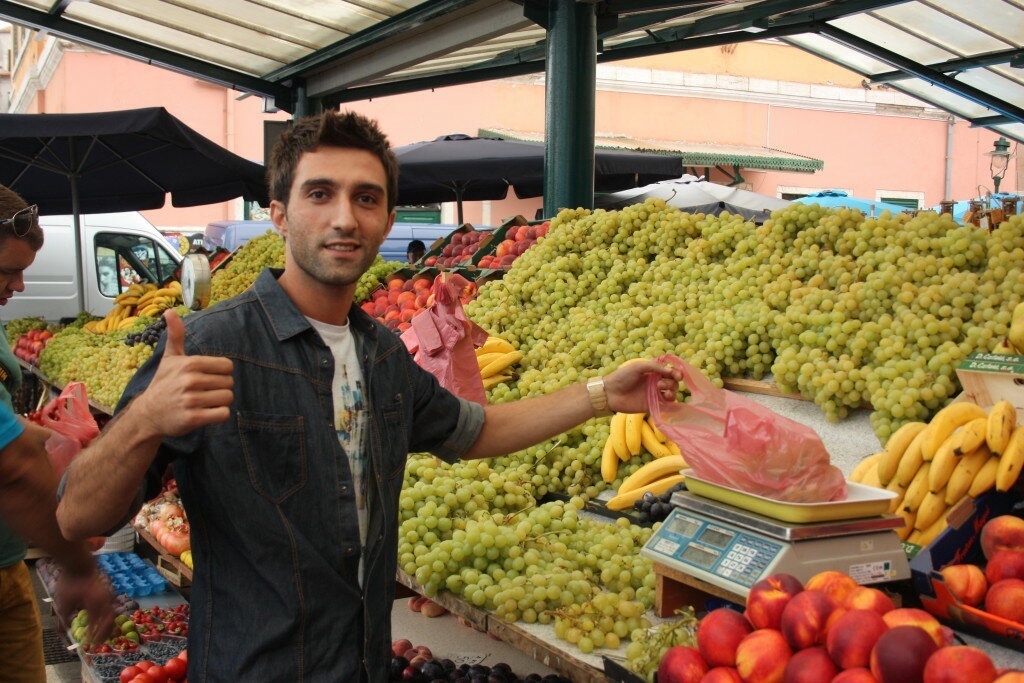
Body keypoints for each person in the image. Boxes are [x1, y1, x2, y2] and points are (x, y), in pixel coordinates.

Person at [56, 111, 680, 681]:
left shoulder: (383, 354)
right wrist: (141, 421)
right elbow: (78, 517)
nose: (345, 217)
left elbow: (478, 430)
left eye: (367, 198)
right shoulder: (209, 345)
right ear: (279, 213)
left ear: (386, 218)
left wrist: (602, 395)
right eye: (320, 194)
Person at [0, 188, 114, 681]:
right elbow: (14, 470)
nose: (20, 285)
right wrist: (78, 566)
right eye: (7, 270)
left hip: (7, 564)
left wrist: (32, 431)